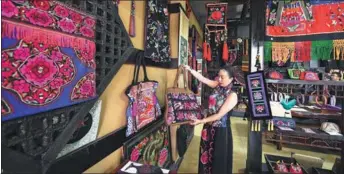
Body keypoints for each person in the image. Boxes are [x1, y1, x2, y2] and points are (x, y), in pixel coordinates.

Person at [183, 65, 238, 174]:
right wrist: (190, 70)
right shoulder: (218, 85)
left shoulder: (232, 96)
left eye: (222, 77)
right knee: (206, 154)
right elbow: (203, 79)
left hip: (220, 130)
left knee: (217, 158)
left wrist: (201, 121)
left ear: (231, 79)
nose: (219, 79)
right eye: (219, 76)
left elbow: (219, 115)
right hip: (208, 127)